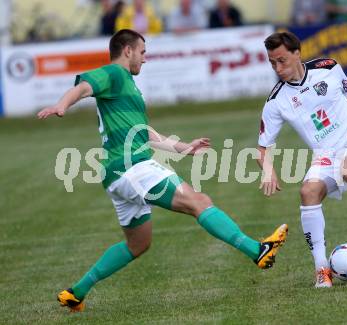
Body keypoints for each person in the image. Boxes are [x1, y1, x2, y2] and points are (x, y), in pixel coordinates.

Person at [37, 29, 288, 312]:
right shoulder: (115, 74)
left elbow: (144, 133)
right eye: (142, 52)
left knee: (138, 244)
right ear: (128, 50)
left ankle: (76, 292)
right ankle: (258, 251)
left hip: (116, 175)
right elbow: (83, 86)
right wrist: (62, 104)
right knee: (199, 202)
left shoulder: (127, 86)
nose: (145, 59)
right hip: (133, 168)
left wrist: (183, 147)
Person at [256, 32, 347, 288]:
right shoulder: (276, 101)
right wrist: (268, 169)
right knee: (308, 192)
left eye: (281, 60)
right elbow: (263, 147)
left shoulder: (328, 68)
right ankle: (321, 270)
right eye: (272, 63)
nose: (277, 68)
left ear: (297, 53)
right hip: (326, 153)